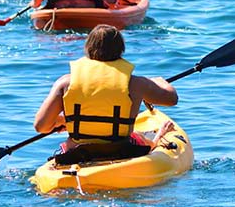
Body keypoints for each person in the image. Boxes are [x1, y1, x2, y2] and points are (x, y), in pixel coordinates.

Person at [34, 24, 177, 155]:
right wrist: (160, 81)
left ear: (88, 49)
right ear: (121, 50)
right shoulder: (136, 83)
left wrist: (63, 121)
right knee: (141, 137)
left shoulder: (65, 82)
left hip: (78, 152)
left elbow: (41, 126)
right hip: (123, 150)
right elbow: (171, 99)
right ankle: (158, 138)